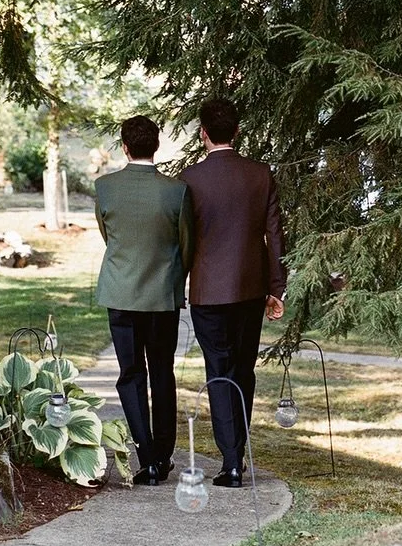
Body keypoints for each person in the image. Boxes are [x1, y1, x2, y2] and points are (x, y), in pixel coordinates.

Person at [183, 97, 286, 488]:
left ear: (203, 133)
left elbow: (183, 242)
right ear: (236, 132)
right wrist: (276, 288)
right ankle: (236, 455)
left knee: (219, 371)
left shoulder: (189, 180)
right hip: (250, 290)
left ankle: (230, 463)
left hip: (208, 292)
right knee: (244, 370)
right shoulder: (261, 174)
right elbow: (275, 236)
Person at [93, 115, 195, 486]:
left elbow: (109, 236)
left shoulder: (105, 187)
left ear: (124, 146)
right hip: (161, 296)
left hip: (120, 294)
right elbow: (187, 246)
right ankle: (162, 456)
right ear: (157, 146)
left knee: (131, 375)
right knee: (162, 374)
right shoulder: (176, 191)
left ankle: (147, 457)